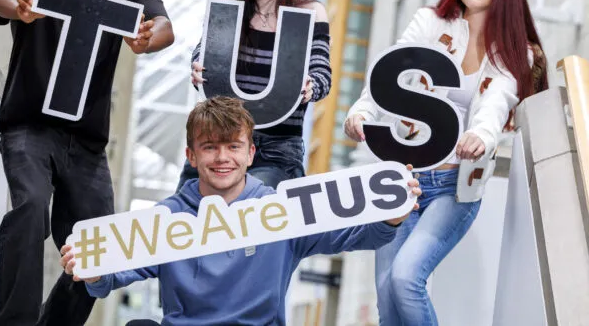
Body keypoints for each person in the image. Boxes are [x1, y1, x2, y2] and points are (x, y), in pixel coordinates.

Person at [0, 0, 174, 326]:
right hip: (28, 127)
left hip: (87, 145)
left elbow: (164, 25)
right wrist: (20, 6)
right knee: (30, 209)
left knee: (99, 250)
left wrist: (150, 38)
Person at [60, 96, 422, 325]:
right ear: (191, 155)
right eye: (209, 147)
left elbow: (361, 234)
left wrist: (392, 213)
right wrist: (89, 268)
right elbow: (107, 278)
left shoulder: (283, 211)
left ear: (250, 154)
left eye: (233, 147)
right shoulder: (166, 218)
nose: (222, 158)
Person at [344, 0, 548, 325]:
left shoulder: (516, 49)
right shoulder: (429, 22)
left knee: (406, 278)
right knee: (387, 297)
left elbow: (497, 101)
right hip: (402, 177)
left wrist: (483, 136)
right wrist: (362, 111)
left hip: (455, 183)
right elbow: (392, 71)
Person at [180, 0, 332, 190]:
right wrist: (198, 66)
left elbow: (322, 73)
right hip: (220, 141)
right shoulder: (228, 9)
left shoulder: (310, 12)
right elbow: (205, 52)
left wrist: (311, 85)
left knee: (247, 216)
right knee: (184, 216)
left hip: (277, 150)